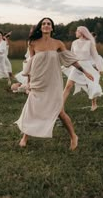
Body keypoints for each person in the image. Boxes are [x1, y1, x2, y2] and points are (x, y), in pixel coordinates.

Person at [15, 17, 94, 150]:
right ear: (40, 27)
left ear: (52, 28)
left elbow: (70, 59)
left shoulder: (58, 43)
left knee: (59, 111)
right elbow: (30, 63)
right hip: (38, 81)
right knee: (31, 109)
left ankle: (74, 136)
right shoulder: (33, 43)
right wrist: (28, 82)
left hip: (53, 81)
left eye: (49, 24)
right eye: (44, 23)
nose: (46, 25)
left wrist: (84, 71)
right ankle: (25, 137)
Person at [62, 26, 103, 112]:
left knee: (91, 85)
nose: (75, 32)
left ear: (82, 32)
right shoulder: (74, 43)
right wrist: (68, 64)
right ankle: (60, 107)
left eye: (77, 31)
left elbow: (95, 56)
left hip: (87, 66)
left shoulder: (90, 43)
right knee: (68, 86)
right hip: (77, 66)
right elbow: (72, 56)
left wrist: (100, 68)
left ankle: (94, 103)